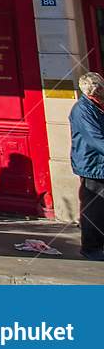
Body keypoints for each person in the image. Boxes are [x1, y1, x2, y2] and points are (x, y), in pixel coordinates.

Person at [71, 72, 104, 260]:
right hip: (92, 164)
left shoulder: (97, 106)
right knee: (94, 207)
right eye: (97, 92)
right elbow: (95, 138)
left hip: (99, 163)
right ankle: (91, 247)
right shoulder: (83, 110)